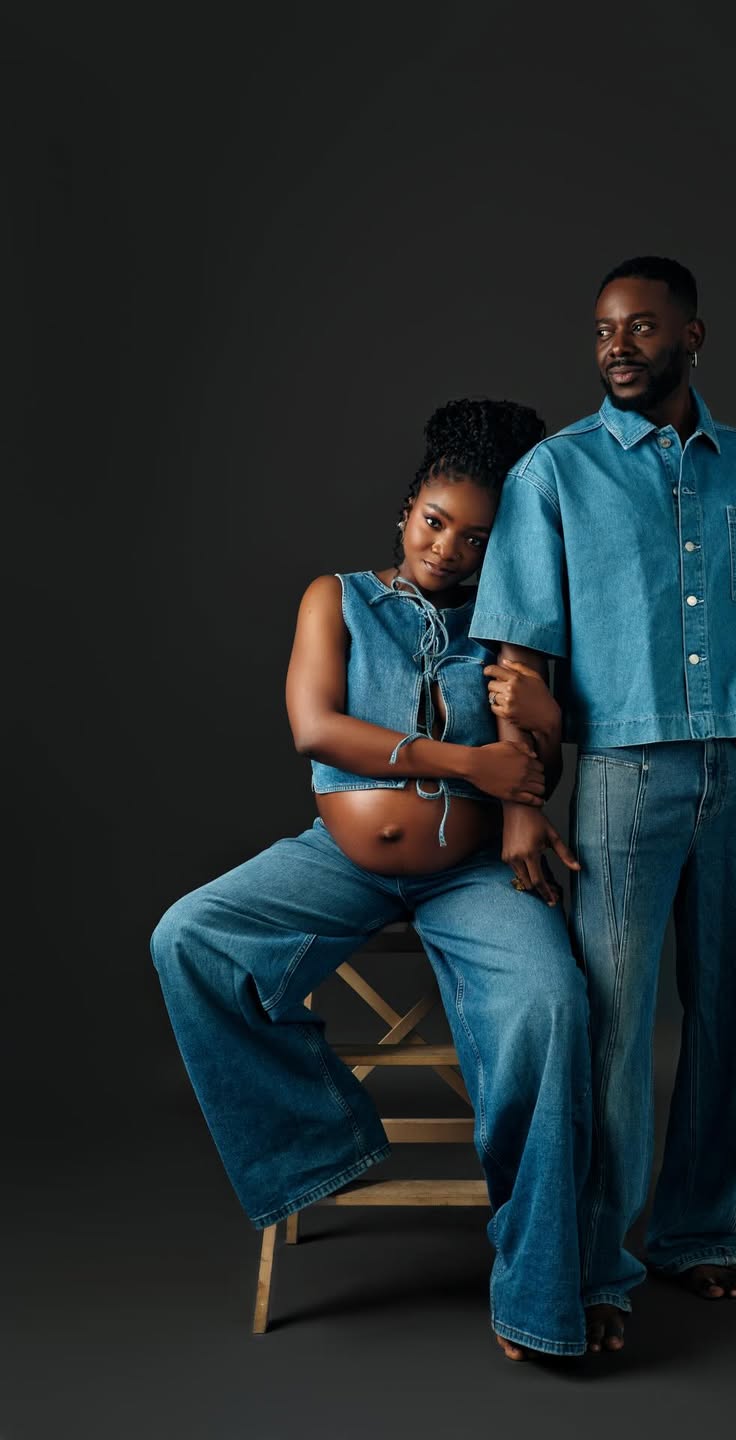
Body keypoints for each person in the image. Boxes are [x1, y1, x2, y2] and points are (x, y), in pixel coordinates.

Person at [150, 398, 592, 1361]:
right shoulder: (337, 597)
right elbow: (315, 727)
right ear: (405, 510)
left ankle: (537, 1294)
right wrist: (470, 763)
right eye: (435, 522)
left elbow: (536, 761)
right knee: (189, 938)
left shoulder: (513, 625)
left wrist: (534, 753)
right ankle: (324, 1147)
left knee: (552, 1005)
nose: (448, 549)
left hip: (470, 875)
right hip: (339, 864)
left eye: (476, 538)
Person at [470, 257, 736, 1354]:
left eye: (641, 327)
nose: (618, 347)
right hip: (626, 782)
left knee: (735, 1016)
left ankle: (698, 1232)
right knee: (614, 1031)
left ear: (695, 335)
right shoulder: (557, 474)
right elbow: (517, 650)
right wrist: (527, 796)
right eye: (602, 332)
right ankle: (597, 1268)